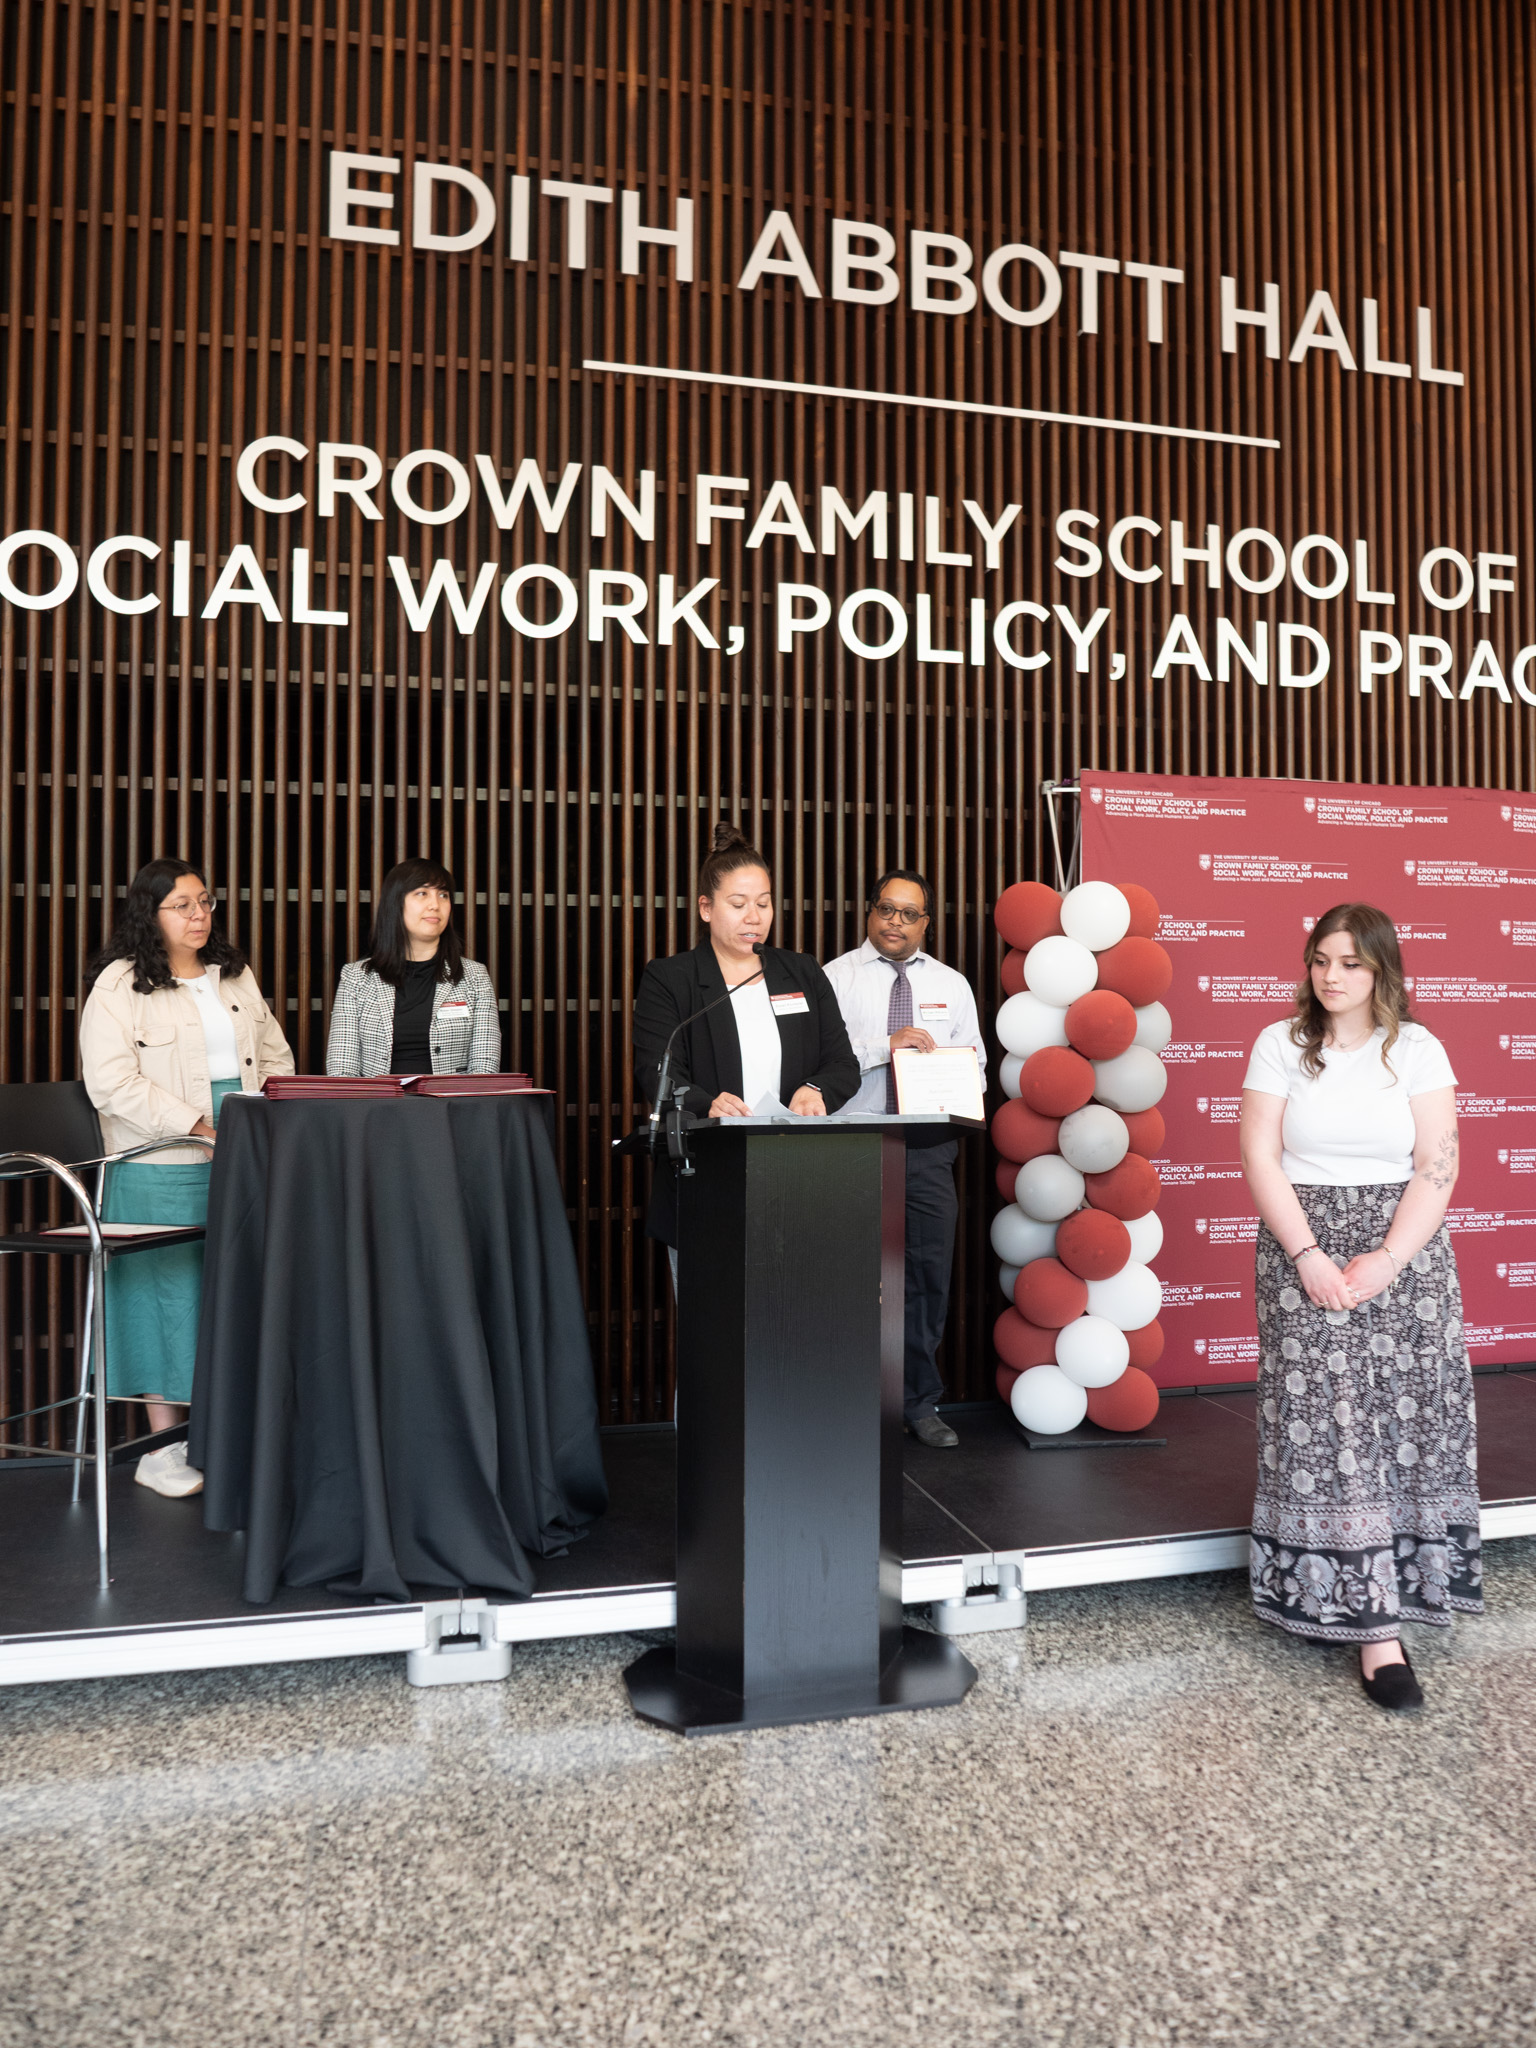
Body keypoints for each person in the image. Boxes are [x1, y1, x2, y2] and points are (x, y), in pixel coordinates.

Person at [1239, 902, 1476, 1712]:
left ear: (1382, 970)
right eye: (1319, 960)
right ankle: (1363, 1621)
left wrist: (1388, 1256)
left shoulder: (1416, 1047)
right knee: (1329, 1423)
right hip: (1301, 1244)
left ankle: (1393, 1600)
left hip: (1403, 1254)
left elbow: (1437, 1164)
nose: (1331, 977)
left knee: (1405, 1422)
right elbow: (1260, 1155)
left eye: (1349, 962)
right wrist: (1308, 1256)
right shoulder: (1280, 1044)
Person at [79, 859, 295, 1497]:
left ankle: (228, 1437)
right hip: (162, 1157)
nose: (199, 915)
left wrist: (265, 1117)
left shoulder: (234, 974)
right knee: (167, 1297)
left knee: (240, 1288)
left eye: (205, 901)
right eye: (182, 905)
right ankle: (164, 1447)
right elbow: (110, 1083)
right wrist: (199, 1125)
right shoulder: (120, 983)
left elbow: (276, 1055)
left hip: (246, 1149)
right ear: (150, 913)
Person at [633, 824, 859, 1271]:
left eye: (763, 903)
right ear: (705, 907)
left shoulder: (801, 972)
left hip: (797, 1177)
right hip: (708, 1178)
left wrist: (817, 1088)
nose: (753, 917)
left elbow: (842, 1064)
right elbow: (657, 1072)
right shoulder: (671, 979)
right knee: (714, 1329)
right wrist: (707, 1102)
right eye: (738, 905)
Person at [824, 869, 986, 1448]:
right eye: (886, 909)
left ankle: (918, 1401)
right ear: (869, 912)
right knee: (843, 1278)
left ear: (927, 923)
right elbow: (816, 1064)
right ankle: (842, 1402)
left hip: (926, 1149)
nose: (896, 921)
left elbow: (978, 1065)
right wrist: (882, 1047)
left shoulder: (953, 983)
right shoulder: (834, 979)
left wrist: (954, 1074)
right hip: (848, 1145)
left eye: (909, 913)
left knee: (925, 1280)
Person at [327, 857, 501, 1077]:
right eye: (422, 893)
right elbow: (342, 1067)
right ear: (396, 902)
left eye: (443, 895)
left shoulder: (474, 976)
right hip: (374, 1107)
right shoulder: (357, 977)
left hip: (452, 1107)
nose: (435, 904)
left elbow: (485, 1066)